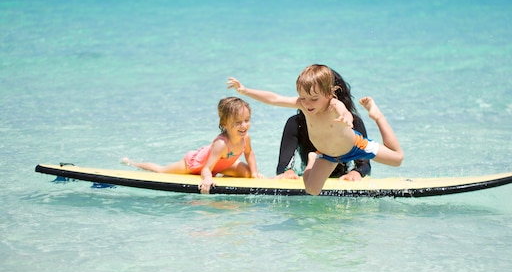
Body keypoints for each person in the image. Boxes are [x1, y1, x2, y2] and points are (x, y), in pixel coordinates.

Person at [227, 64, 404, 196]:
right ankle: (313, 159)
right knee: (312, 190)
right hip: (327, 154)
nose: (307, 104)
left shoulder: (333, 104)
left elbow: (345, 112)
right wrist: (245, 91)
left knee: (397, 159)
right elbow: (274, 98)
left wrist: (347, 119)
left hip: (355, 146)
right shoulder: (303, 105)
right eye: (303, 98)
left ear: (329, 94)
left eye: (313, 98)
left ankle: (378, 116)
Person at [122, 97, 261, 194]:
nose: (244, 125)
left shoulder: (245, 137)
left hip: (222, 164)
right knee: (162, 171)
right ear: (224, 124)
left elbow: (249, 153)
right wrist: (207, 178)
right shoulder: (221, 143)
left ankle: (223, 179)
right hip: (195, 164)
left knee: (247, 173)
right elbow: (206, 168)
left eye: (247, 120)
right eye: (238, 122)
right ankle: (133, 163)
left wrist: (255, 173)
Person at [276, 69, 371, 181]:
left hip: (340, 176)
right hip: (310, 175)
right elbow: (283, 164)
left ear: (333, 96)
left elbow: (364, 164)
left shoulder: (352, 122)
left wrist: (356, 173)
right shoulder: (296, 123)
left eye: (315, 98)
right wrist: (288, 172)